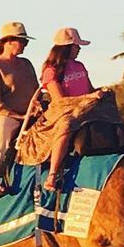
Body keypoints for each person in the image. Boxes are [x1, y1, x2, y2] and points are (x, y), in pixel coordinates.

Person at [0, 22, 39, 199]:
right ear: (7, 42)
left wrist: (37, 105)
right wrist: (17, 115)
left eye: (25, 42)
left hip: (29, 114)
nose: (24, 45)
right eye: (21, 41)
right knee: (3, 130)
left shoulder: (26, 64)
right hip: (3, 115)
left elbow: (35, 90)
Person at [39, 27, 95, 192]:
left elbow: (90, 89)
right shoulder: (51, 70)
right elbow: (60, 100)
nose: (79, 49)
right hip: (64, 112)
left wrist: (100, 93)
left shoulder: (80, 66)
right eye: (76, 46)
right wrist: (88, 99)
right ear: (67, 47)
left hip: (86, 109)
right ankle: (53, 174)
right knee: (66, 126)